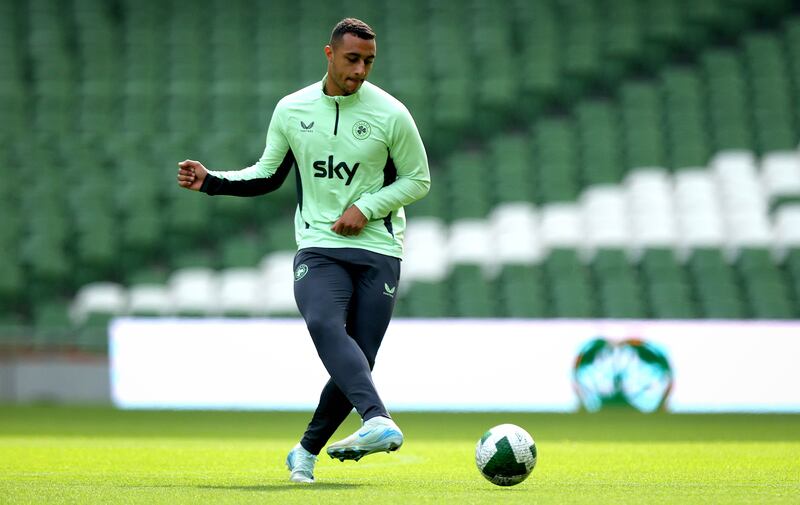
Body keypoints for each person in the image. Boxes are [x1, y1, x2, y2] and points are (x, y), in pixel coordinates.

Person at [175, 18, 430, 484]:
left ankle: (305, 452)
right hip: (318, 245)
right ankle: (376, 418)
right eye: (352, 59)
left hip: (378, 247)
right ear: (329, 54)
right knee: (323, 323)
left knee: (360, 357)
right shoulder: (292, 109)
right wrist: (211, 181)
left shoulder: (391, 113)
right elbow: (268, 174)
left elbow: (419, 179)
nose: (360, 71)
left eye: (369, 62)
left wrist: (367, 207)